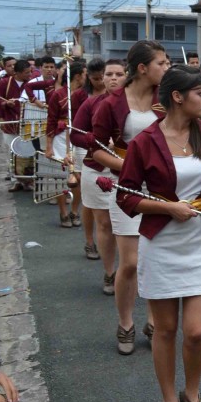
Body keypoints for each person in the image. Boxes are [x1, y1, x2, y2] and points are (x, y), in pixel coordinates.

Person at [117, 65, 201, 402]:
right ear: (177, 96)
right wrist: (168, 209)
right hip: (162, 243)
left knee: (197, 331)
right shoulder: (145, 141)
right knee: (166, 329)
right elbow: (126, 195)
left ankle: (193, 395)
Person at [92, 41, 168, 355]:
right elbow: (95, 149)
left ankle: (153, 320)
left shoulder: (166, 97)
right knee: (131, 262)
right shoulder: (111, 103)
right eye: (161, 63)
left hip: (163, 186)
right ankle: (125, 322)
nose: (166, 68)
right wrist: (130, 166)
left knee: (155, 259)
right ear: (142, 68)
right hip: (126, 186)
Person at [71, 59, 126, 295]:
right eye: (109, 74)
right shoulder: (91, 103)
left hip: (128, 171)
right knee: (104, 223)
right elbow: (75, 136)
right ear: (101, 78)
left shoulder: (139, 104)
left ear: (128, 76)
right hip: (96, 169)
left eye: (119, 74)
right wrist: (96, 142)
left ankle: (129, 270)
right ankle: (109, 271)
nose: (113, 78)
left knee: (128, 225)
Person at [45, 61, 87, 231]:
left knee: (80, 177)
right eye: (85, 74)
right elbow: (51, 121)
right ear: (77, 76)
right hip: (61, 139)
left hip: (82, 137)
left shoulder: (86, 95)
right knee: (60, 177)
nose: (88, 78)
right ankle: (63, 212)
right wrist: (48, 146)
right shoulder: (58, 95)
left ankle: (75, 210)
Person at [0, 59, 34, 192]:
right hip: (10, 122)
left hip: (28, 123)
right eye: (27, 73)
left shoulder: (33, 84)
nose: (29, 75)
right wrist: (4, 108)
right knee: (12, 152)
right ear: (17, 73)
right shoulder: (3, 83)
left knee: (29, 152)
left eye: (30, 72)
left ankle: (28, 181)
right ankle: (15, 180)